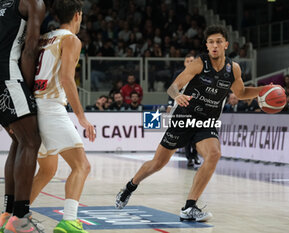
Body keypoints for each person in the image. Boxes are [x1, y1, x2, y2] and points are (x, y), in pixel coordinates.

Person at [115, 25, 267, 222]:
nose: (214, 45)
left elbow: (241, 93)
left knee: (214, 154)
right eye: (211, 42)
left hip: (207, 121)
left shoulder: (233, 69)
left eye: (218, 42)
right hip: (184, 117)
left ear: (226, 44)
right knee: (158, 163)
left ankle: (189, 207)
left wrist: (263, 90)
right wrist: (177, 96)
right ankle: (130, 186)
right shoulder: (198, 64)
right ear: (206, 45)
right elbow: (173, 87)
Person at [29, 1, 95, 232]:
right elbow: (67, 79)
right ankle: (68, 221)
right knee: (82, 166)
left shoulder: (44, 38)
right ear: (78, 15)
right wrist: (82, 117)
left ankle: (15, 216)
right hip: (51, 107)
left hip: (33, 107)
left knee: (47, 169)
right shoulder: (71, 39)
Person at [0, 0, 47, 232]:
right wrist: (27, 90)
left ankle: (8, 213)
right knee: (31, 141)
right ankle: (20, 218)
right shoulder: (33, 2)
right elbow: (30, 49)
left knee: (19, 140)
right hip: (8, 75)